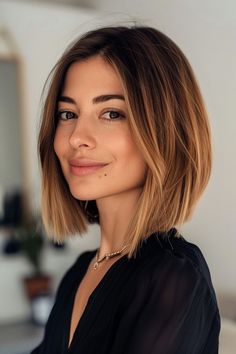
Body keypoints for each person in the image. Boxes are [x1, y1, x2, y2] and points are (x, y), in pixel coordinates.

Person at [31, 24, 221, 354]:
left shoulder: (172, 279)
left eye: (111, 113)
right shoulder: (79, 272)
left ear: (165, 131)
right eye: (68, 113)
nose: (77, 136)